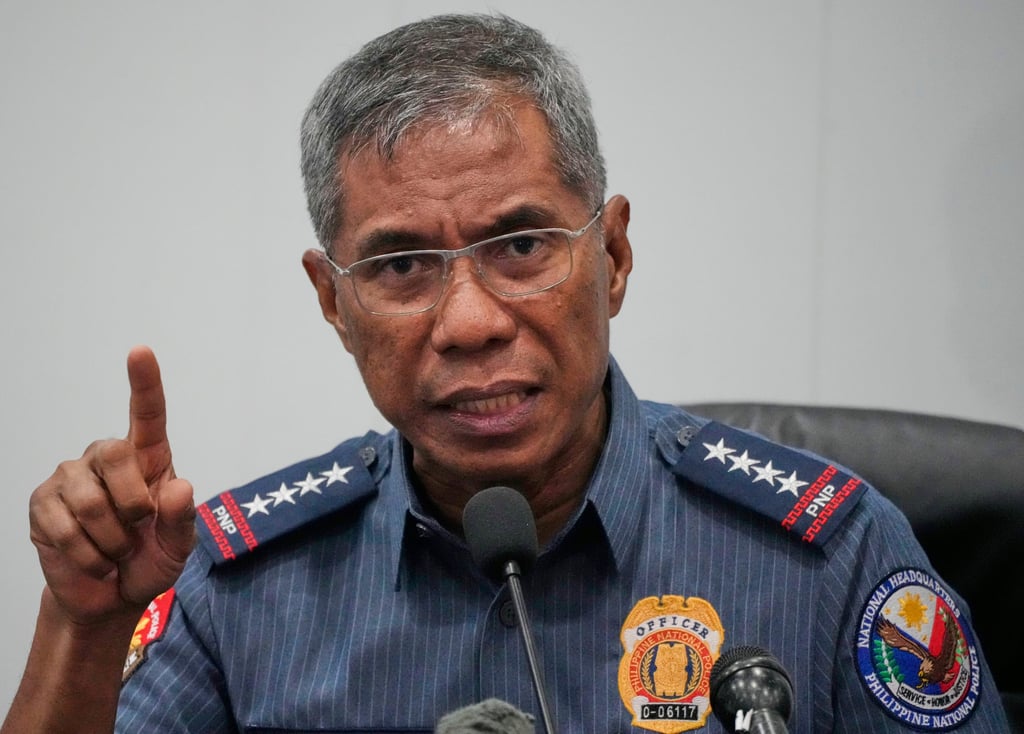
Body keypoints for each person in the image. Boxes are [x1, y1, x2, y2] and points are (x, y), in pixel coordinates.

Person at [1, 13, 1010, 734]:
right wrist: (81, 625)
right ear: (330, 301)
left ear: (611, 256)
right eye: (400, 266)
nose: (472, 320)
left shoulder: (827, 557)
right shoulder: (237, 586)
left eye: (522, 244)